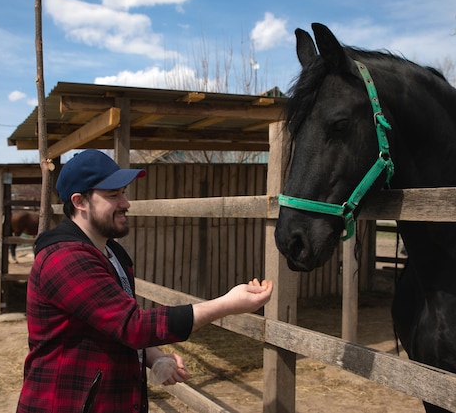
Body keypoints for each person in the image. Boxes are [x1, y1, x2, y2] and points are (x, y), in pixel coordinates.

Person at [16, 149, 273, 413]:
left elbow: (113, 324)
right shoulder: (66, 260)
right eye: (113, 195)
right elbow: (133, 326)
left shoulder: (111, 253)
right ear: (80, 201)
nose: (125, 203)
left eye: (124, 193)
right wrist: (226, 304)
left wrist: (153, 357)